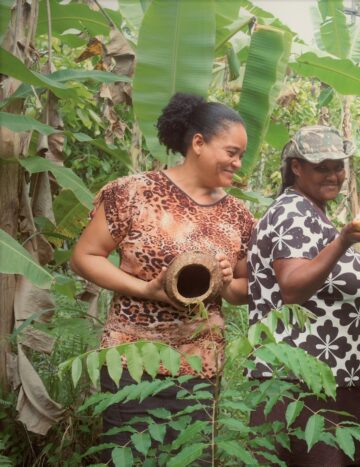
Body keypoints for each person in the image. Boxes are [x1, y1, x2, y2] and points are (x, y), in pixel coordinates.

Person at [70, 92, 254, 461]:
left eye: (241, 156)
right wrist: (147, 290)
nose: (237, 162)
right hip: (131, 361)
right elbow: (85, 256)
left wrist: (224, 281)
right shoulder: (132, 192)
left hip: (200, 367)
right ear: (198, 143)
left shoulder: (238, 214)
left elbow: (242, 290)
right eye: (231, 152)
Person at [247, 125, 360, 466]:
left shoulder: (311, 213)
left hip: (331, 380)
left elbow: (325, 299)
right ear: (296, 167)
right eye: (321, 167)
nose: (333, 175)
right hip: (299, 386)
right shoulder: (292, 212)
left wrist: (356, 349)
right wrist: (344, 241)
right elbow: (294, 287)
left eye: (338, 166)